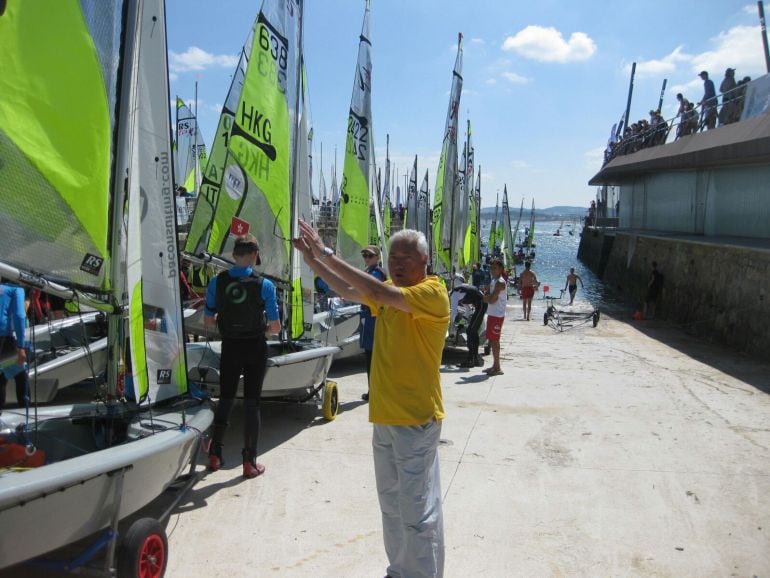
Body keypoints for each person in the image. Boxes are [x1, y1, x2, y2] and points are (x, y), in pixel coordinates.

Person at [292, 221, 449, 578]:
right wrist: (313, 261)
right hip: (385, 415)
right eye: (393, 256)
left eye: (407, 257)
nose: (397, 263)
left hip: (415, 417)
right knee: (392, 506)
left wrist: (326, 252)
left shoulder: (431, 293)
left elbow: (375, 294)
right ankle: (399, 570)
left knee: (417, 511)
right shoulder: (392, 290)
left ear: (424, 260)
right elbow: (350, 291)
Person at [203, 235, 281, 479]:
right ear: (255, 253)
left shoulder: (218, 282)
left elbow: (207, 320)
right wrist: (262, 329)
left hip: (230, 346)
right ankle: (249, 462)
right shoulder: (264, 285)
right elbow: (276, 327)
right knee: (251, 403)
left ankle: (215, 455)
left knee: (225, 399)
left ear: (234, 255)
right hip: (255, 347)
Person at [360, 244, 387, 402]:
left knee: (373, 356)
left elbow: (369, 288)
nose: (366, 258)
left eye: (369, 255)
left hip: (374, 317)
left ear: (377, 258)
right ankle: (373, 390)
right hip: (369, 315)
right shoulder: (369, 272)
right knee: (369, 356)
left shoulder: (376, 272)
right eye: (365, 255)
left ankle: (375, 391)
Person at [0, 279, 28, 412]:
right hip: (4, 338)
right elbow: (19, 316)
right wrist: (21, 346)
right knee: (21, 376)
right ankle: (27, 420)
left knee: (1, 377)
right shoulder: (16, 289)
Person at [450, 283, 487, 368]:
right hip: (480, 304)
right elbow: (468, 310)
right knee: (472, 331)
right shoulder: (461, 293)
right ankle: (475, 359)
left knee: (470, 331)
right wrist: (461, 323)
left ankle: (470, 360)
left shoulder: (454, 294)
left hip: (481, 304)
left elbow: (453, 313)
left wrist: (452, 328)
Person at [482, 258, 507, 376]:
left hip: (497, 315)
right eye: (491, 268)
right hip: (492, 314)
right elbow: (491, 297)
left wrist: (484, 298)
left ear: (501, 269)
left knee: (495, 341)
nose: (492, 270)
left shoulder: (500, 282)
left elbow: (492, 300)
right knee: (491, 340)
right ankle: (494, 365)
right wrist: (487, 295)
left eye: (495, 268)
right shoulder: (494, 280)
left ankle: (498, 367)